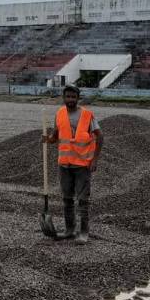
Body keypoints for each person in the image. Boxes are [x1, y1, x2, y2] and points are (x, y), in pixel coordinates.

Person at [43, 84, 103, 243]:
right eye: (67, 96)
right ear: (63, 98)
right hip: (64, 164)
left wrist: (95, 159)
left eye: (73, 97)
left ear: (78, 98)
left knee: (83, 200)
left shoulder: (87, 115)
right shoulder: (60, 114)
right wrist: (48, 139)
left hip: (83, 165)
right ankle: (69, 230)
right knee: (67, 199)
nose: (70, 99)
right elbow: (55, 136)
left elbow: (100, 136)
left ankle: (84, 232)